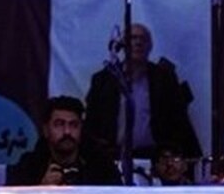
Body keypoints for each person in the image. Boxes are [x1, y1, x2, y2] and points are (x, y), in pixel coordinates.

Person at [83, 23, 202, 163]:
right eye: (132, 38)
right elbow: (91, 124)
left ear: (150, 46)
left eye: (143, 39)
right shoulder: (103, 80)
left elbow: (179, 121)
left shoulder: (164, 79)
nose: (138, 43)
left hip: (153, 158)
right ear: (122, 45)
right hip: (112, 158)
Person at [9, 96, 120, 186]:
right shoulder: (29, 166)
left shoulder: (102, 166)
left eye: (73, 125)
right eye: (59, 124)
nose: (67, 132)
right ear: (46, 130)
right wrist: (42, 188)